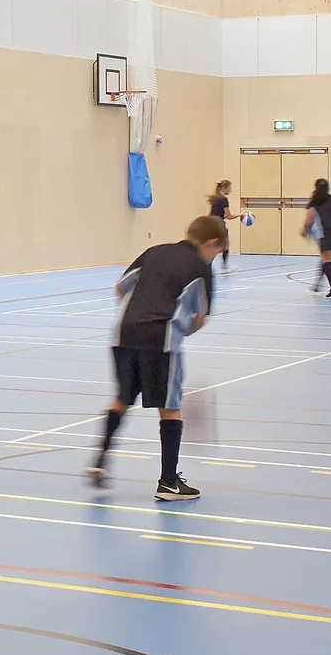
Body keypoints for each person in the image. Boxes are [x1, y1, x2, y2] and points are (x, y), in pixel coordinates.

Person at [88, 215, 224, 501]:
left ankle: (100, 461)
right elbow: (201, 317)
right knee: (170, 407)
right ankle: (168, 482)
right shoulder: (201, 267)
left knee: (122, 398)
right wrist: (181, 329)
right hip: (160, 338)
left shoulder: (154, 251)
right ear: (211, 243)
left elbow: (120, 288)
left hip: (124, 333)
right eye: (218, 252)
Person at [303, 178, 331, 297]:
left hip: (324, 232)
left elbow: (309, 220)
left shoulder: (314, 202)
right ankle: (318, 284)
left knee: (327, 259)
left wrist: (305, 231)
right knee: (326, 257)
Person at [208, 180, 236, 272]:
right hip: (218, 224)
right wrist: (241, 214)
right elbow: (229, 216)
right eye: (229, 188)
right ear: (224, 188)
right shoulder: (224, 199)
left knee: (216, 245)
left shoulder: (215, 198)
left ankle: (211, 267)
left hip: (211, 222)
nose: (230, 191)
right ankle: (224, 266)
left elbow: (217, 212)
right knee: (224, 245)